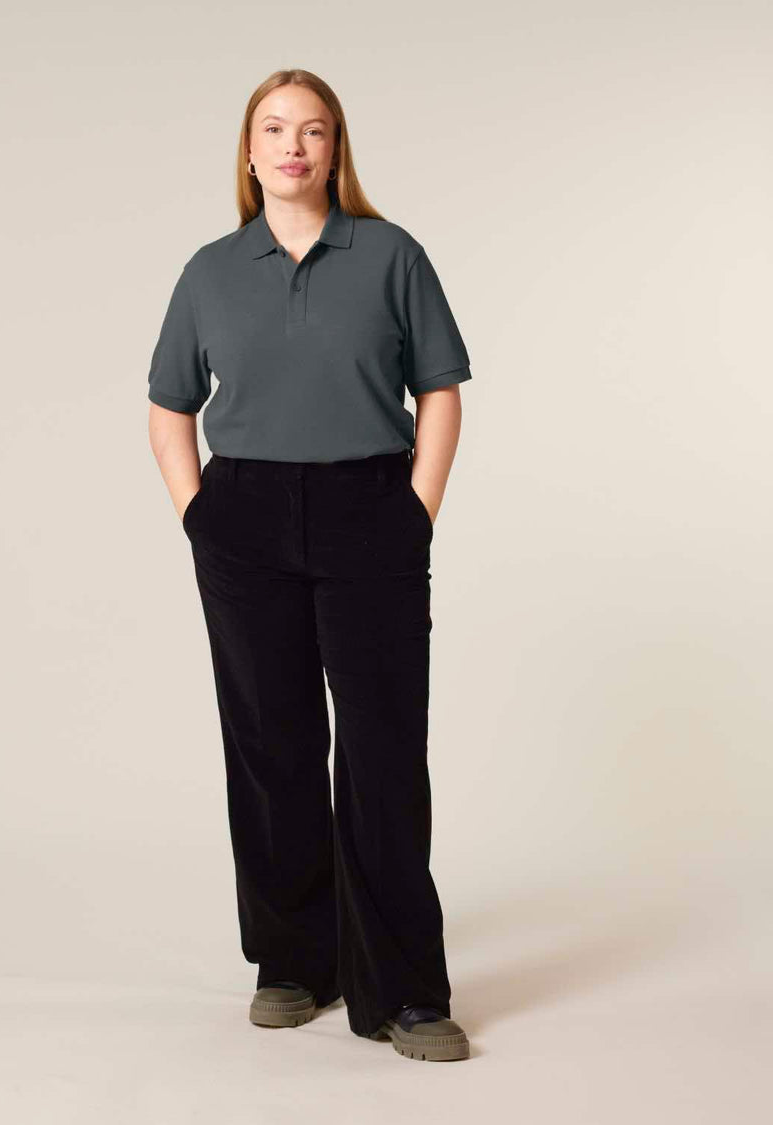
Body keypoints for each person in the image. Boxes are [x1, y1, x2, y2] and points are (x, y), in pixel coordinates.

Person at [147, 69, 471, 1063]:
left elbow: (441, 389)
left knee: (381, 749)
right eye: (276, 128)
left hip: (369, 509)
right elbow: (169, 405)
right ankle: (292, 960)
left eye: (315, 130)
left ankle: (405, 989)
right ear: (249, 153)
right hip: (244, 518)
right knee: (270, 743)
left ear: (336, 150)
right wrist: (201, 515)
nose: (295, 145)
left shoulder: (391, 254)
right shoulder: (209, 271)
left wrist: (413, 512)